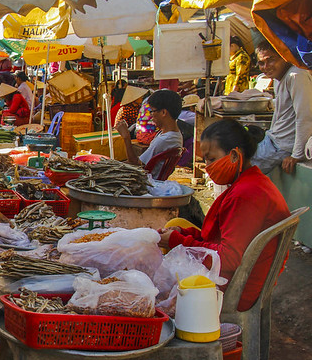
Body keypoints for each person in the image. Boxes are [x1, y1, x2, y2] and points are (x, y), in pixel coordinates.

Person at [159, 119, 290, 311]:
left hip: (237, 289)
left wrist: (177, 240)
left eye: (211, 159)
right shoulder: (251, 183)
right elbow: (220, 237)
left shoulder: (246, 195)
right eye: (205, 160)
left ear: (235, 155)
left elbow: (228, 259)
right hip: (240, 278)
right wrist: (182, 234)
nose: (208, 167)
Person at [250, 41, 312, 175]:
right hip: (274, 141)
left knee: (243, 171)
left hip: (283, 146)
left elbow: (305, 117)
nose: (266, 67)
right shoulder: (279, 78)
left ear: (283, 56)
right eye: (261, 63)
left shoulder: (296, 75)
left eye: (271, 60)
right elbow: (278, 116)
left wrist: (297, 154)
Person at [117, 89, 184, 176]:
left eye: (152, 111)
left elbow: (135, 163)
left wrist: (126, 137)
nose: (150, 115)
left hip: (147, 181)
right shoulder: (175, 134)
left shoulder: (164, 140)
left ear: (163, 112)